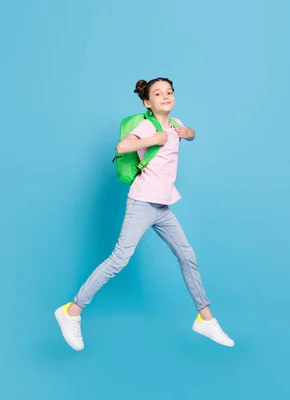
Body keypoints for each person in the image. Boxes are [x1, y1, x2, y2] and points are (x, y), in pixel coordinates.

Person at [54, 77, 234, 351]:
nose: (166, 96)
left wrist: (190, 132)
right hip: (142, 203)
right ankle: (71, 311)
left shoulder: (175, 124)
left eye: (169, 92)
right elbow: (122, 147)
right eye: (158, 93)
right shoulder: (146, 125)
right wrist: (153, 139)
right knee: (118, 260)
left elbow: (191, 134)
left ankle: (205, 319)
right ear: (148, 103)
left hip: (162, 206)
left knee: (187, 256)